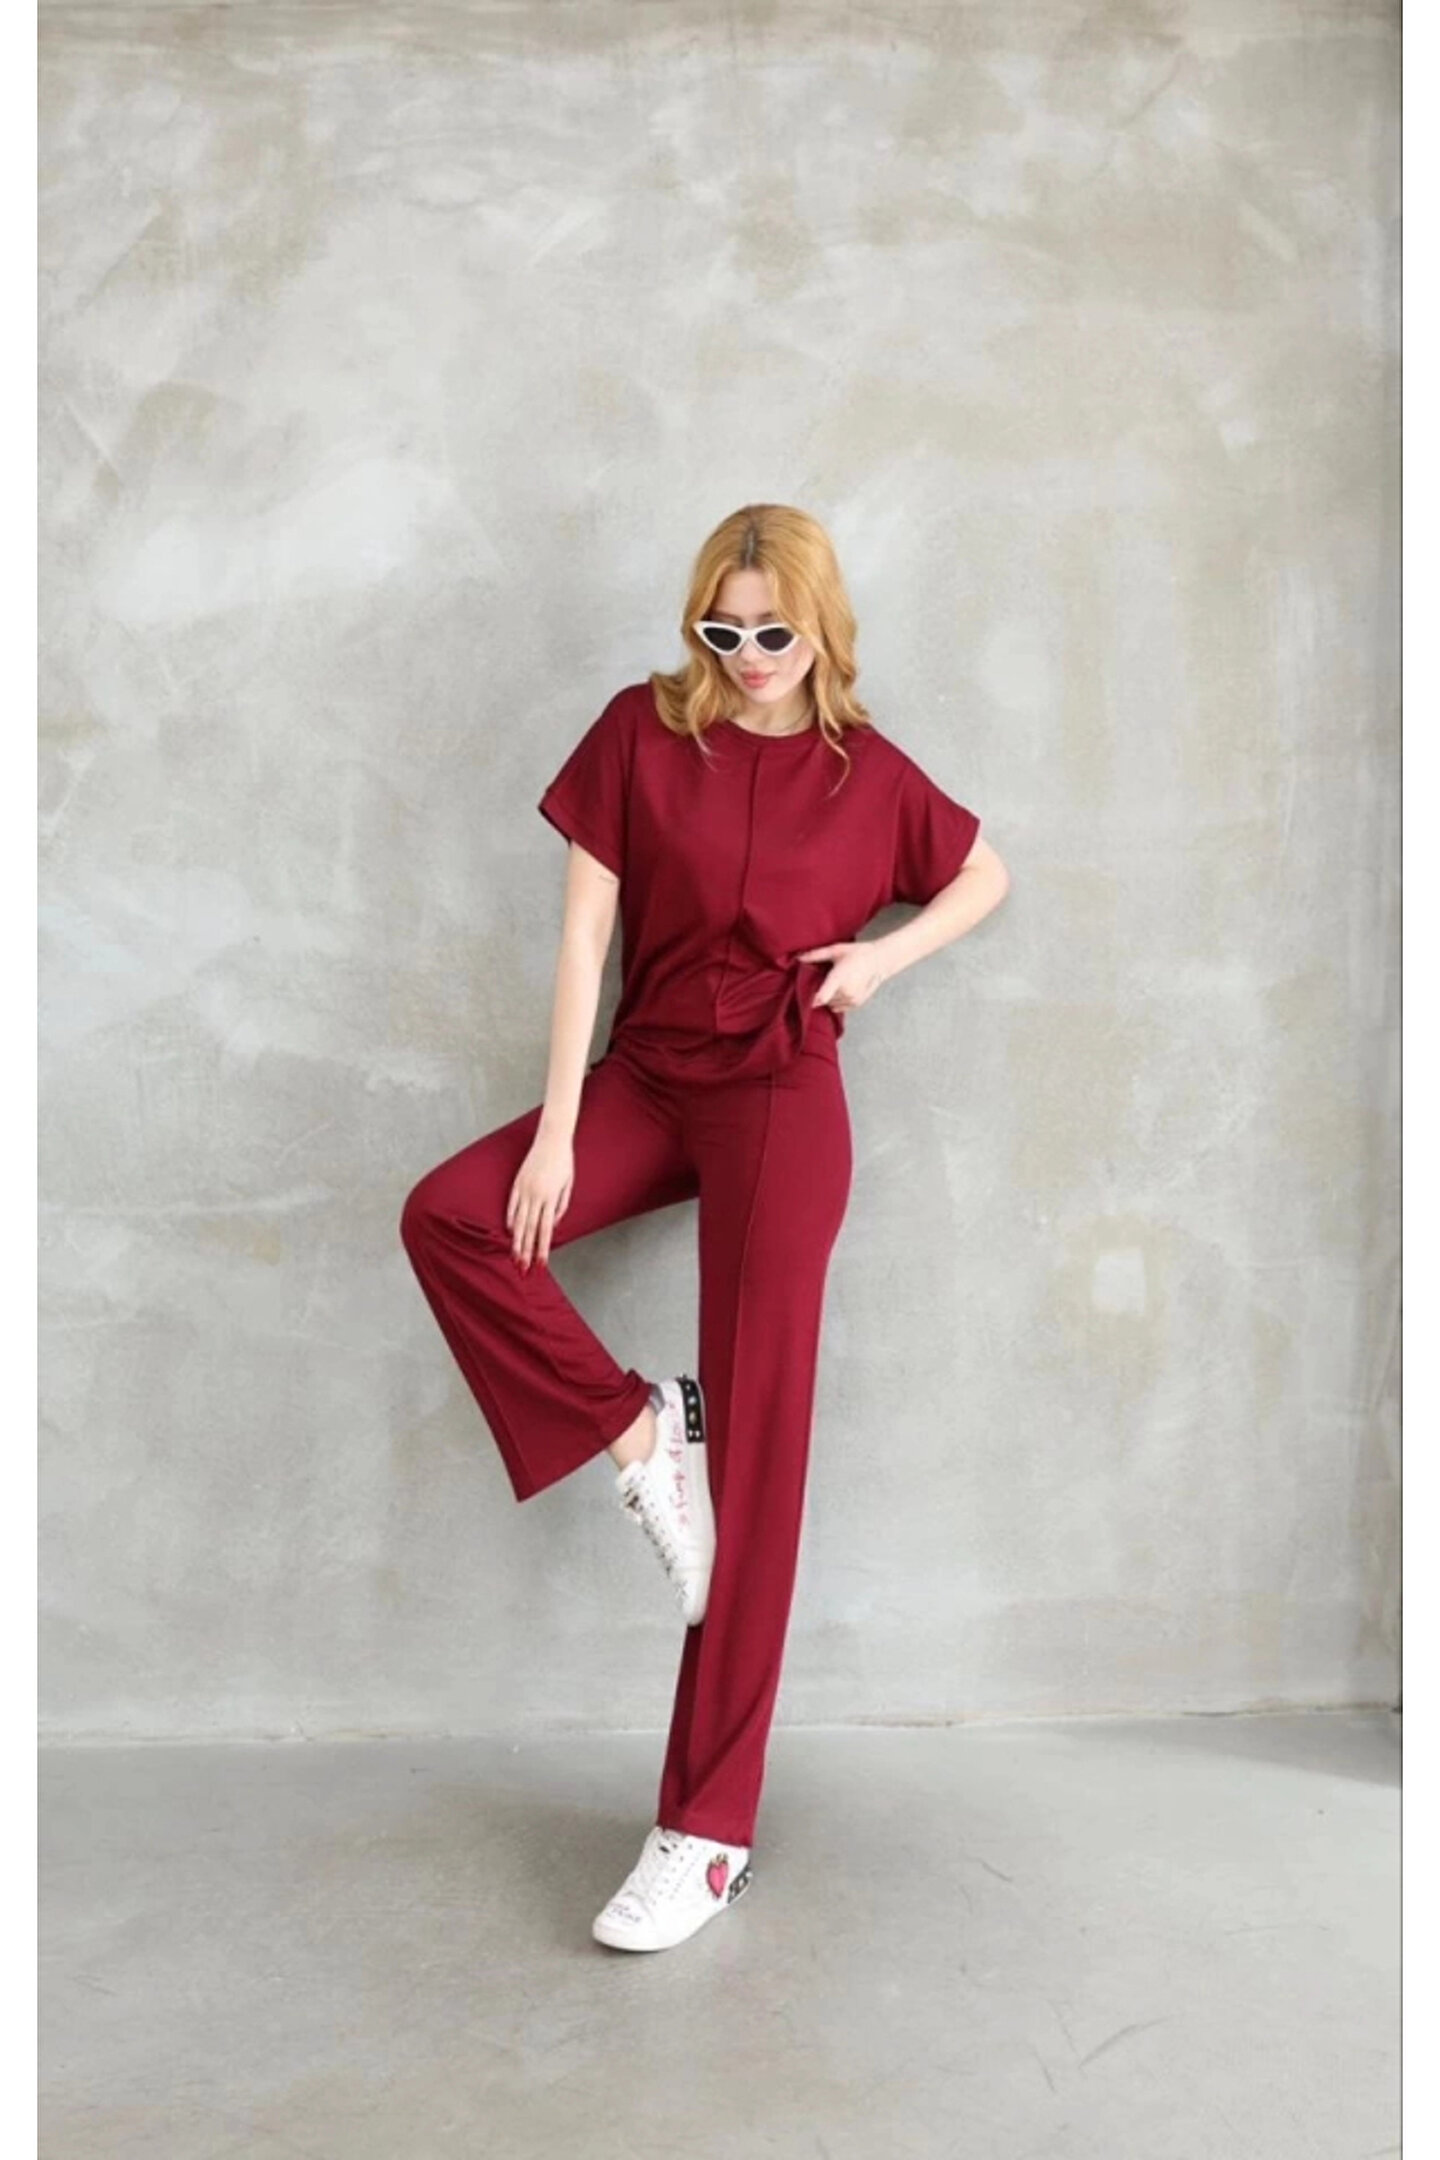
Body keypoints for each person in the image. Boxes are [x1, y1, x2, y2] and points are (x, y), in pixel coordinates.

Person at [399, 503, 1010, 1954]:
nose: (745, 655)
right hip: (651, 1076)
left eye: (772, 632)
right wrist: (559, 1128)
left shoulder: (869, 775)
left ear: (821, 627)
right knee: (453, 1217)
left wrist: (882, 961)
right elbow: (582, 938)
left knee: (762, 1465)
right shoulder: (641, 732)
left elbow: (985, 871)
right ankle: (635, 1429)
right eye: (719, 630)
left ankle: (707, 1834)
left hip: (785, 1094)